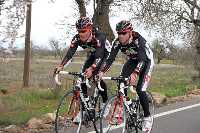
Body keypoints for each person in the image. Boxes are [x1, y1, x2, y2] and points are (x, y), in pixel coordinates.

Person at [98, 20, 154, 133]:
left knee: (140, 89)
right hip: (133, 60)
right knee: (121, 80)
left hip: (146, 62)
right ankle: (127, 105)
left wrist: (135, 73)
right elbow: (110, 59)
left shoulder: (139, 40)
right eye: (119, 33)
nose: (121, 36)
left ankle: (147, 117)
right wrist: (102, 72)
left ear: (130, 32)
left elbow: (143, 59)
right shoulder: (117, 42)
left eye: (123, 33)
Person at [54, 17, 111, 122]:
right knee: (82, 77)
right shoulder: (77, 38)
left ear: (89, 29)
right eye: (79, 31)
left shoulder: (99, 37)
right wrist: (61, 66)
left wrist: (92, 69)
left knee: (96, 77)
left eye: (83, 31)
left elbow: (99, 56)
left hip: (105, 55)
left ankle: (105, 103)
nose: (81, 33)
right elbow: (70, 54)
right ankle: (85, 109)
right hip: (94, 54)